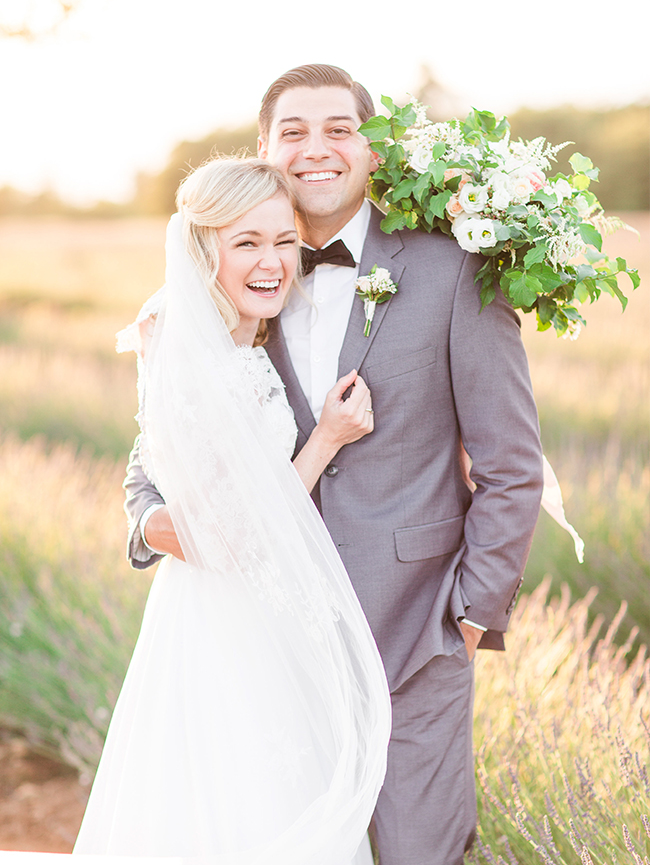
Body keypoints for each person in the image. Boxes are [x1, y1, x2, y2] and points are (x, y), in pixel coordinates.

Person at [124, 65, 545, 865]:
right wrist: (149, 525)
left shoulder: (455, 270)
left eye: (338, 129)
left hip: (412, 638)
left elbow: (512, 463)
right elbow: (158, 454)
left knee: (420, 852)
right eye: (293, 132)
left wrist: (471, 615)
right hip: (265, 644)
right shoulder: (221, 288)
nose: (315, 149)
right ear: (264, 150)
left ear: (373, 147)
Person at [73, 157, 391, 865]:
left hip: (263, 618)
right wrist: (326, 441)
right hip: (227, 623)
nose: (273, 261)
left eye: (285, 241)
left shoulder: (235, 345)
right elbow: (222, 536)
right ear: (202, 248)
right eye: (247, 242)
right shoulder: (191, 357)